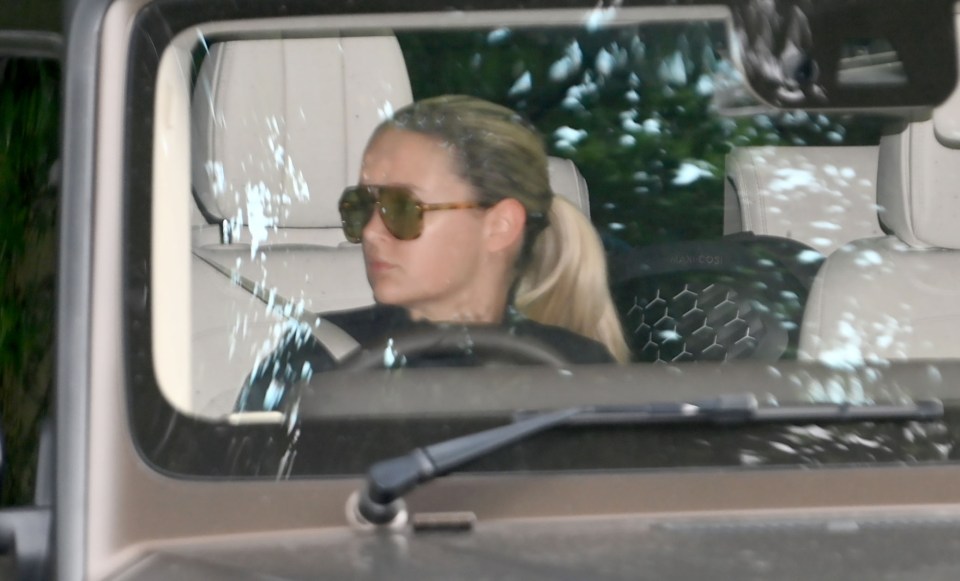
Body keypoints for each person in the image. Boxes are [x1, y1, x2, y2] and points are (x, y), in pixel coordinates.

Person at [236, 95, 629, 412]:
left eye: (403, 208)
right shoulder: (317, 351)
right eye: (359, 207)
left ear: (500, 226)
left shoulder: (579, 367)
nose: (371, 232)